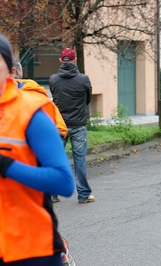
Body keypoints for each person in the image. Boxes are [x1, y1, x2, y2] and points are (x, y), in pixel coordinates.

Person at [0, 34, 75, 266]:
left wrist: (6, 166)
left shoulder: (31, 111)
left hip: (30, 249)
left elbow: (64, 183)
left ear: (9, 69)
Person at [49, 48, 94, 204]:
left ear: (61, 60)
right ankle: (83, 194)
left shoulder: (53, 79)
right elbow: (87, 99)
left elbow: (55, 99)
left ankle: (53, 194)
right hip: (79, 124)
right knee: (79, 159)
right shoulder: (84, 79)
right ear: (74, 60)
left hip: (59, 126)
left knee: (56, 159)